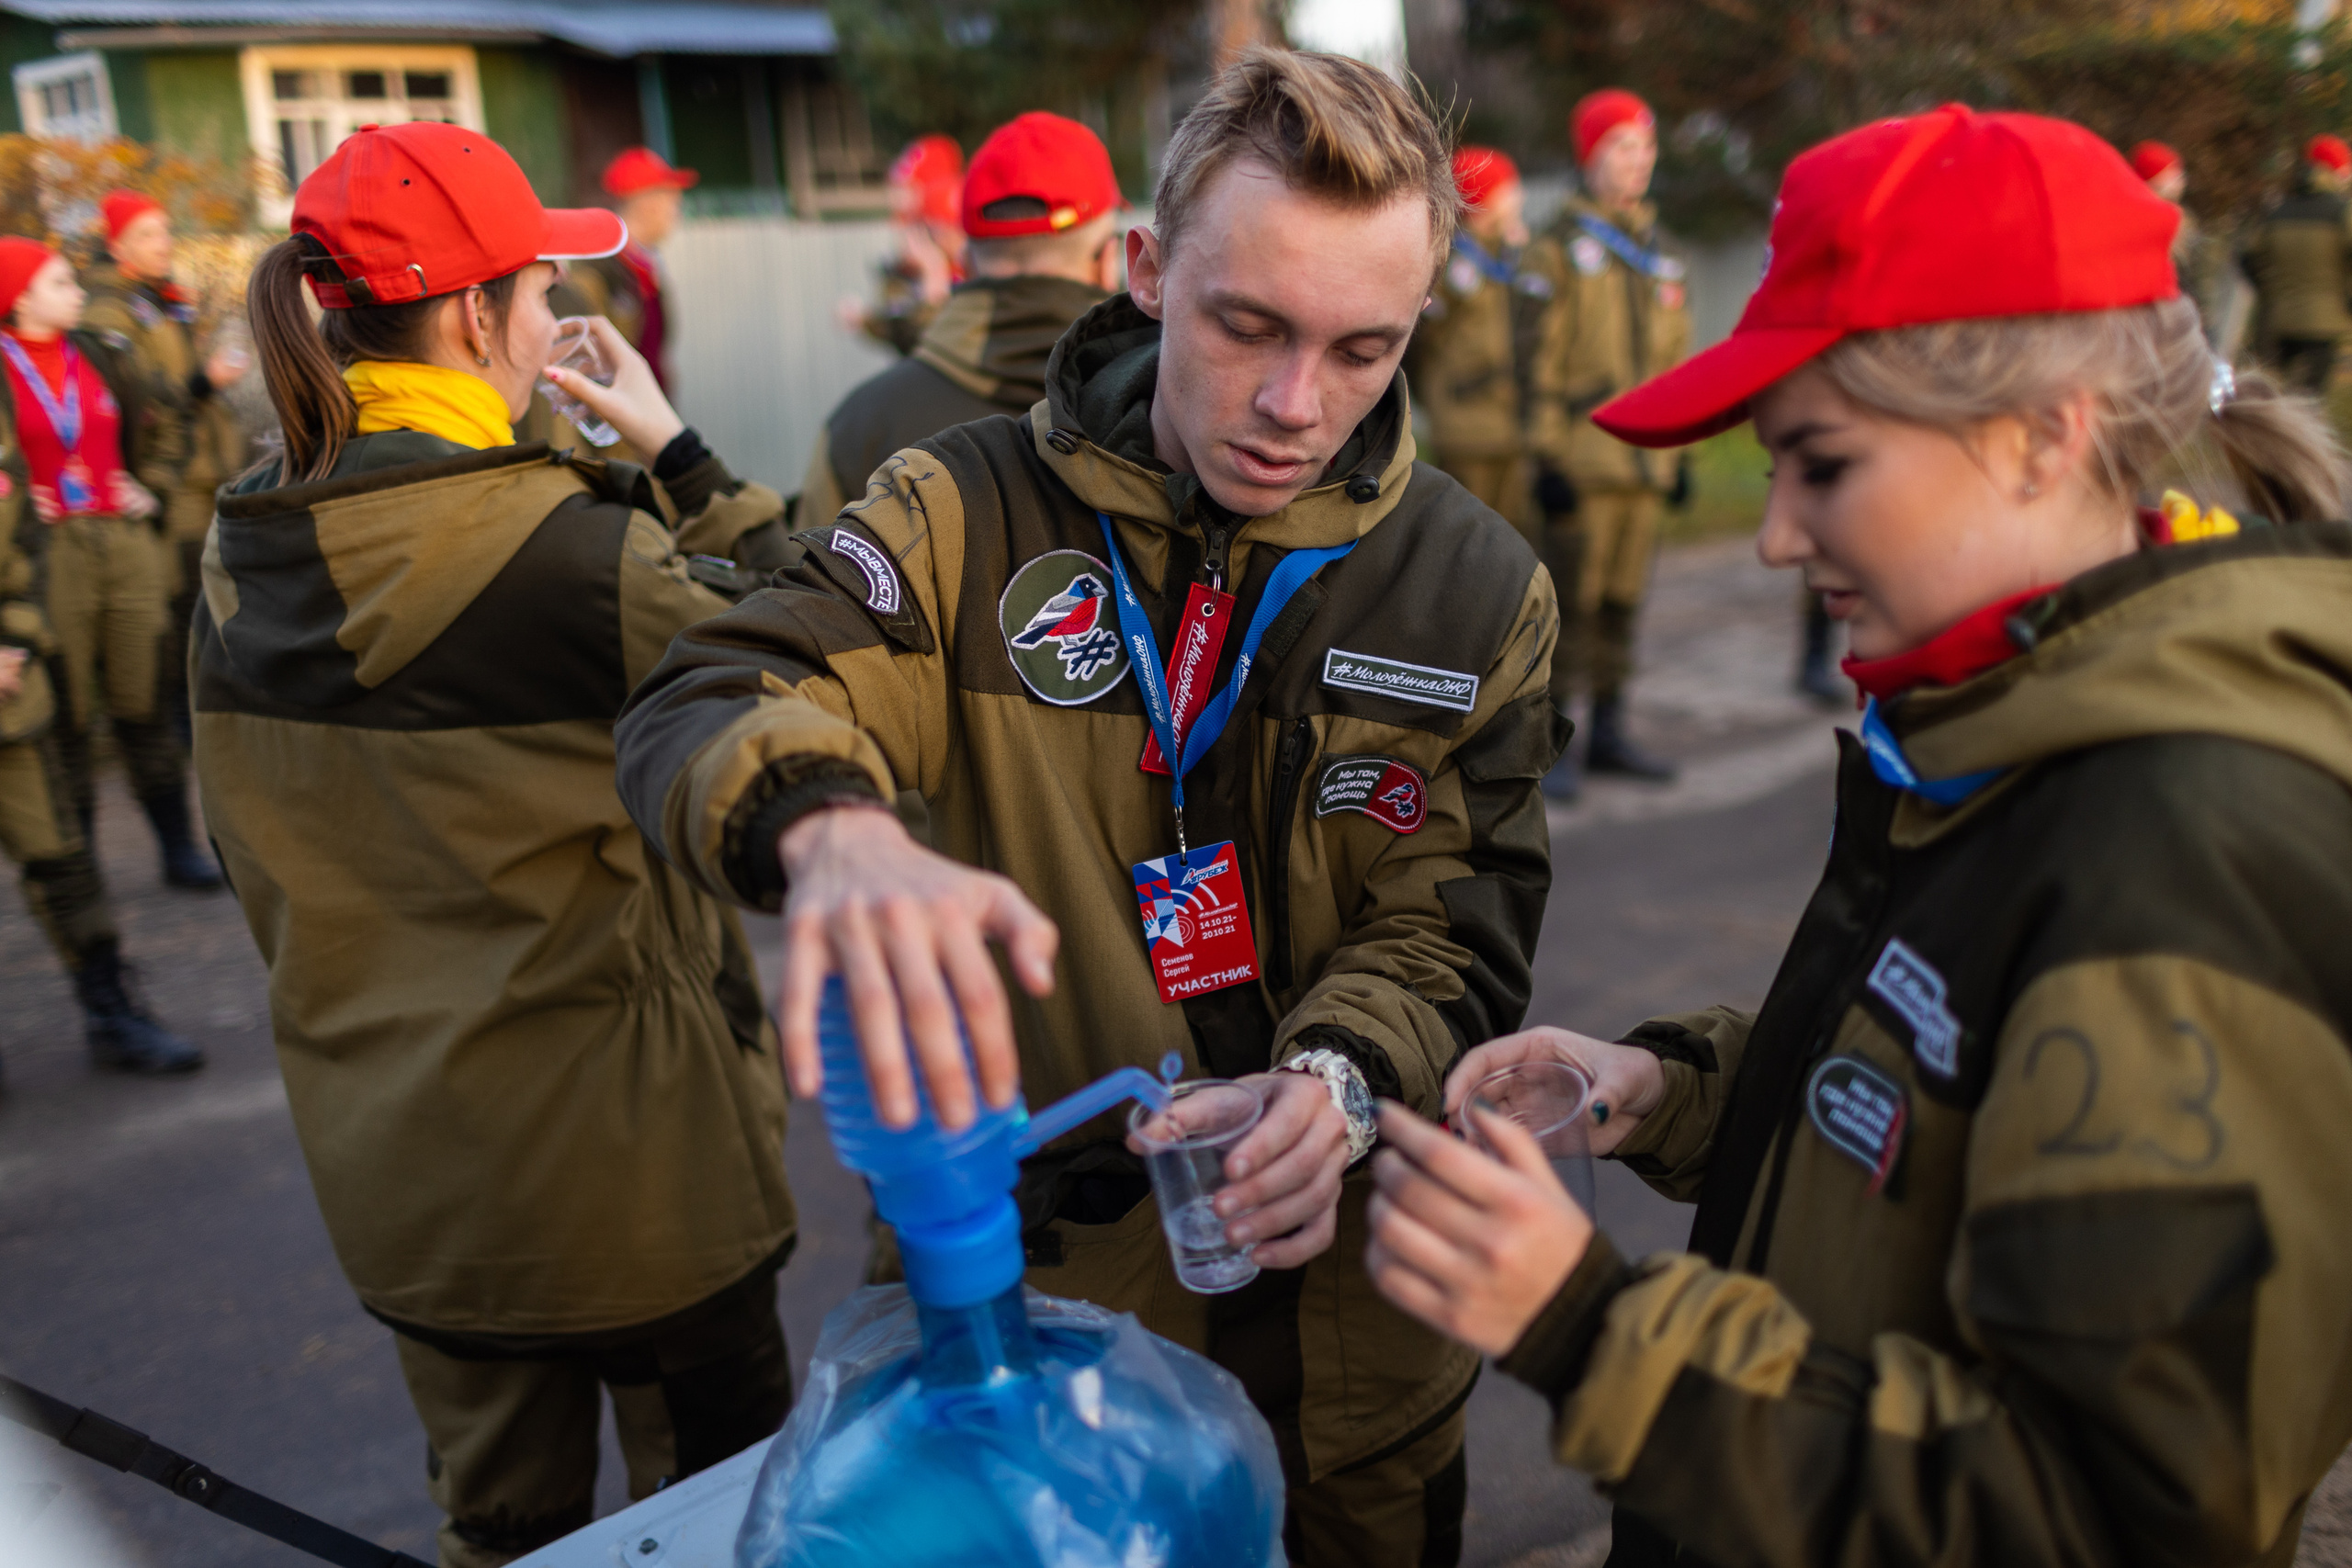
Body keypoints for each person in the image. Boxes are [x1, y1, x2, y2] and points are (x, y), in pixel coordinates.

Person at [613, 48, 1567, 1568]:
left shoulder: (1477, 588)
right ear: (1143, 270)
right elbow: (713, 687)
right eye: (1246, 325)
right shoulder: (961, 512)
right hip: (1046, 1374)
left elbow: (1460, 922)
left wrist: (1335, 1082)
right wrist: (830, 825)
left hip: (1360, 1363)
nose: (1292, 405)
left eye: (1361, 349)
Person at [1365, 104, 2352, 1568]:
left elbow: (2109, 1506)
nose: (1775, 534)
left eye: (1822, 464)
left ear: (2045, 437)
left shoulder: (2190, 842)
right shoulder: (2005, 723)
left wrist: (1593, 1329)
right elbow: (1945, 1098)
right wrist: (1677, 1089)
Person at [194, 123, 800, 1568]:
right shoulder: (577, 554)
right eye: (540, 289)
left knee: (499, 1534)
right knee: (724, 1531)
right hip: (640, 1189)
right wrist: (678, 452)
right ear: (475, 314)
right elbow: (816, 641)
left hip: (409, 1186)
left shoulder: (239, 548)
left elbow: (245, 849)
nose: (553, 316)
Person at [0, 240, 221, 892]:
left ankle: (179, 847)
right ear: (18, 297)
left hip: (124, 542)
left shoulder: (104, 352)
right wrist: (18, 502)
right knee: (68, 714)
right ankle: (80, 864)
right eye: (60, 283)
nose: (79, 292)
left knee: (144, 698)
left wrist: (152, 487)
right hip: (50, 554)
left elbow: (173, 416)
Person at [0, 375, 201, 1079]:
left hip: (8, 700)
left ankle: (112, 1011)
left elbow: (22, 546)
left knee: (61, 858)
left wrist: (14, 637)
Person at [800, 110, 1123, 530]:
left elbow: (802, 568)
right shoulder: (1167, 411)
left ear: (965, 263)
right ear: (1108, 260)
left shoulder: (858, 430)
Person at [1525, 88, 1689, 799]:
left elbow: (1678, 362)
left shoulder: (1662, 255)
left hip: (1646, 463)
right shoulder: (1557, 250)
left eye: (1646, 147)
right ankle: (1555, 742)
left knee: (1624, 601)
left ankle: (1611, 732)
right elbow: (1535, 359)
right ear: (1589, 156)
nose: (1638, 161)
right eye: (1622, 146)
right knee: (1573, 606)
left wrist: (1682, 452)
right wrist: (1546, 454)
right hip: (1584, 459)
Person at [81, 189, 251, 754]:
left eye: (164, 230)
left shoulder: (162, 298)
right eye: (147, 234)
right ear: (117, 245)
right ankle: (189, 737)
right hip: (169, 486)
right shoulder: (110, 311)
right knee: (186, 613)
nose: (164, 243)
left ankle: (212, 728)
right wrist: (204, 383)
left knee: (213, 604)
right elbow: (138, 399)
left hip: (202, 475)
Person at [1406, 146, 1552, 533]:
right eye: (1508, 190)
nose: (1518, 198)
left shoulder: (1514, 259)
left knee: (1512, 531)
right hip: (1466, 424)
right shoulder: (1451, 261)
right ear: (1483, 200)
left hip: (1512, 426)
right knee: (1466, 531)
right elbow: (1420, 344)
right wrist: (1438, 394)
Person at [568, 146, 695, 392]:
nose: (677, 213)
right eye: (673, 201)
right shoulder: (598, 274)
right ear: (648, 203)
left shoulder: (645, 267)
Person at [2241, 132, 2352, 394]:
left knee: (2280, 394)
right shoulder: (2342, 212)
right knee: (2310, 396)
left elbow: (2247, 257)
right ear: (2336, 172)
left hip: (2278, 320)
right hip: (2324, 323)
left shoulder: (2277, 211)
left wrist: (2269, 291)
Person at [843, 133, 967, 356]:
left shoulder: (971, 263)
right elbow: (904, 335)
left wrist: (933, 278)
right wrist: (868, 323)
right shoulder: (909, 265)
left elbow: (944, 349)